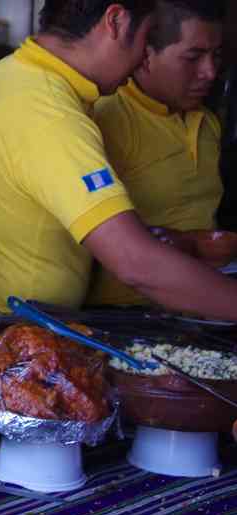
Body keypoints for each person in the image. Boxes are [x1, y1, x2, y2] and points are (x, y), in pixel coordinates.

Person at [0, 0, 237, 343]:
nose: (142, 58)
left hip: (5, 321)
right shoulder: (49, 113)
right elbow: (135, 263)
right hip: (4, 332)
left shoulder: (13, 72)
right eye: (145, 37)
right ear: (114, 21)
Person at [87, 0, 226, 306]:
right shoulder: (107, 118)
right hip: (129, 315)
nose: (210, 72)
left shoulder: (209, 123)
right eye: (193, 58)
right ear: (145, 56)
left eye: (216, 56)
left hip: (209, 305)